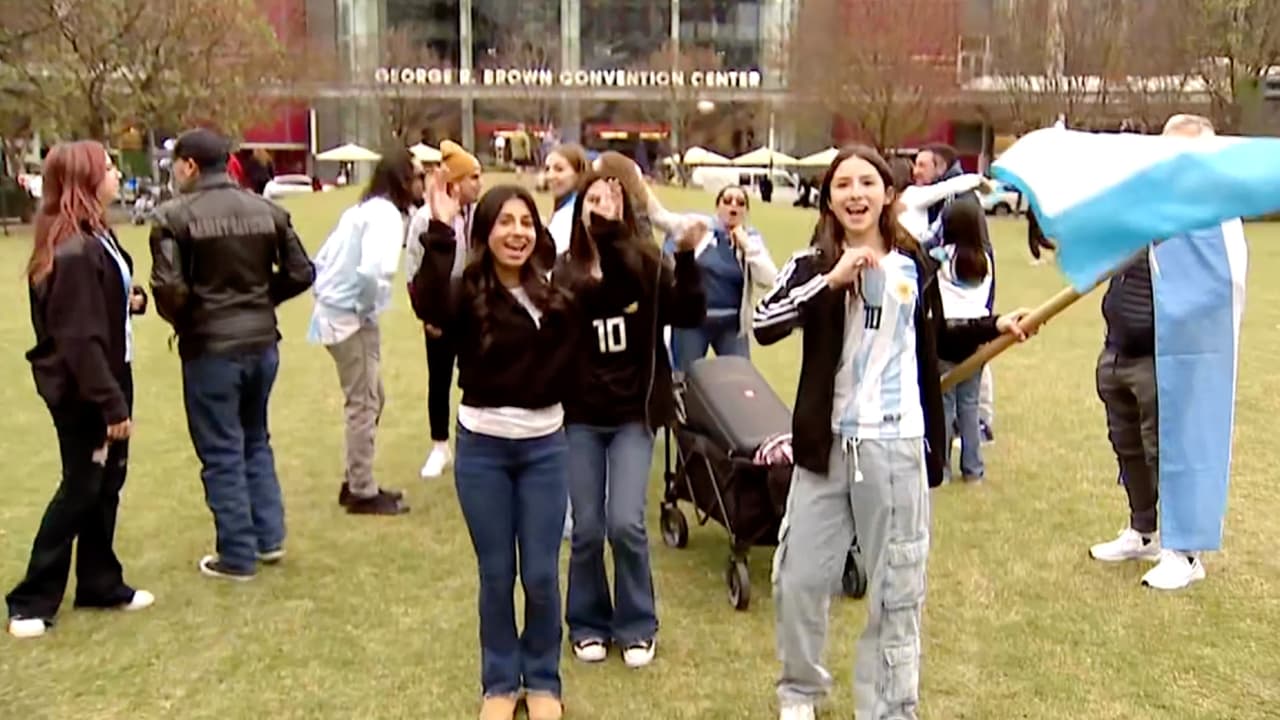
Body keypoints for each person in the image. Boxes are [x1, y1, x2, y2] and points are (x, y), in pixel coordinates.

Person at [753, 145, 1029, 720]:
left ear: (887, 194)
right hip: (826, 449)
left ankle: (887, 707)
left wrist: (992, 325)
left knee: (896, 591)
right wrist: (831, 281)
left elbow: (935, 335)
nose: (855, 194)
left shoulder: (916, 265)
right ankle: (799, 692)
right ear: (829, 199)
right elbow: (765, 323)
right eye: (843, 185)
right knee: (799, 579)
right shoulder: (811, 263)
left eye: (867, 183)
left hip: (897, 446)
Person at [408, 177, 576, 720]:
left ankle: (544, 680)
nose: (517, 232)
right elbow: (427, 300)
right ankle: (500, 684)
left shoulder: (556, 293)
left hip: (545, 450)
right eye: (505, 221)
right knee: (497, 573)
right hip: (483, 450)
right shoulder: (464, 292)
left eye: (526, 222)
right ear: (485, 231)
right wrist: (438, 229)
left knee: (542, 575)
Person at [556, 169, 707, 669]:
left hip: (632, 416)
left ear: (627, 211)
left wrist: (684, 256)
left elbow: (687, 312)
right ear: (579, 210)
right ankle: (587, 622)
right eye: (592, 198)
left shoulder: (645, 262)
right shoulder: (565, 271)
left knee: (625, 522)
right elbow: (592, 301)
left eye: (612, 199)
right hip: (579, 416)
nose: (601, 206)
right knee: (586, 528)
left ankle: (637, 623)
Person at [149, 128, 314, 581]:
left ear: (189, 166)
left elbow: (168, 286)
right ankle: (268, 536)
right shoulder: (269, 211)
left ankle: (238, 553)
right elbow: (302, 272)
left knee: (221, 449)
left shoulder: (173, 217)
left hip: (211, 347)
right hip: (262, 342)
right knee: (254, 438)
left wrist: (191, 318)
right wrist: (261, 299)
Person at [1088, 113, 1244, 590]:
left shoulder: (1212, 218)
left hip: (1166, 357)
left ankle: (1185, 552)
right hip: (1119, 346)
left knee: (1170, 451)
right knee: (1128, 447)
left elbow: (1217, 284)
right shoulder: (1147, 203)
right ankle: (1144, 531)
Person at [7, 141, 155, 639]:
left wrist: (129, 300)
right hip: (85, 388)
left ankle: (99, 581)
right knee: (81, 485)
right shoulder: (72, 249)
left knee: (107, 483)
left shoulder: (98, 236)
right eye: (109, 168)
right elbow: (78, 335)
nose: (117, 175)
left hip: (113, 372)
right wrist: (110, 403)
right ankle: (31, 600)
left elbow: (101, 301)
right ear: (85, 180)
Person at [309, 148, 423, 515]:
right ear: (403, 179)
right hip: (349, 319)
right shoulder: (387, 216)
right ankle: (360, 488)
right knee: (364, 402)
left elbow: (322, 259)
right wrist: (364, 307)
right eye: (418, 176)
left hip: (333, 314)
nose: (422, 183)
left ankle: (355, 478)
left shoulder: (361, 210)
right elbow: (374, 271)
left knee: (372, 397)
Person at [405, 140, 483, 480]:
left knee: (475, 378)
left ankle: (475, 441)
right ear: (456, 182)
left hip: (474, 309)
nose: (480, 184)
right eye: (474, 177)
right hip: (440, 309)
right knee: (439, 380)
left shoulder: (482, 214)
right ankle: (439, 445)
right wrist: (427, 317)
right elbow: (412, 272)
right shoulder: (425, 220)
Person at [666, 184, 778, 373]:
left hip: (731, 324)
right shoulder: (700, 232)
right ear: (717, 207)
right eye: (727, 201)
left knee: (741, 379)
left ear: (746, 211)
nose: (733, 206)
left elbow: (770, 279)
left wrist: (746, 245)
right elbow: (669, 265)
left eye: (740, 203)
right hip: (693, 321)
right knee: (684, 378)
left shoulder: (751, 239)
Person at [933, 200, 995, 484]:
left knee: (944, 404)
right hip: (978, 335)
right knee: (970, 405)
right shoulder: (986, 258)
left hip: (946, 334)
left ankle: (942, 470)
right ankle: (974, 470)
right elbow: (989, 298)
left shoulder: (942, 256)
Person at [543, 143, 589, 255]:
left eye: (559, 169)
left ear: (579, 174)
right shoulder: (569, 207)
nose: (550, 176)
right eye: (547, 169)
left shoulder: (571, 215)